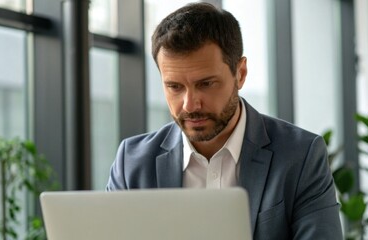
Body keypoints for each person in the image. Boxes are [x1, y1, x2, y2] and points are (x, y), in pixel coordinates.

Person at [107, 2, 342, 239]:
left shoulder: (300, 156)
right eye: (175, 87)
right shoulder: (132, 162)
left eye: (206, 84)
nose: (190, 105)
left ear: (240, 73)